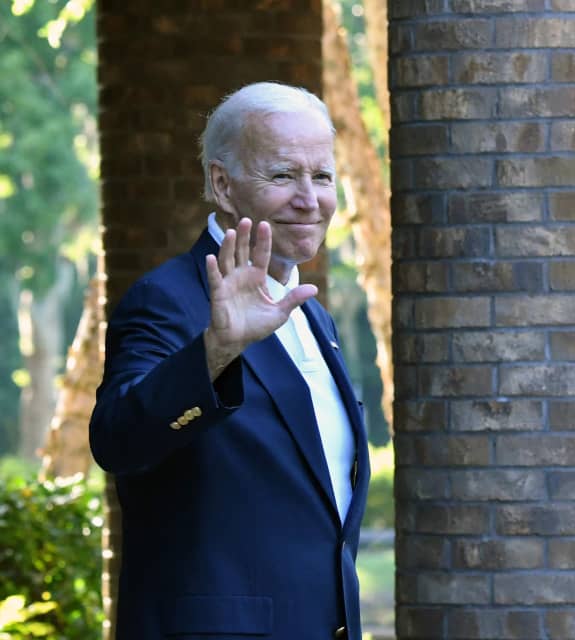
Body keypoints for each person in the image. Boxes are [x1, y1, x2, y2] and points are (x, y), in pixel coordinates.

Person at [89, 82, 369, 640]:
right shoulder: (168, 299)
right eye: (283, 175)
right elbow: (117, 441)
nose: (309, 199)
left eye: (322, 176)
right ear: (222, 184)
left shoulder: (314, 316)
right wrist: (216, 350)